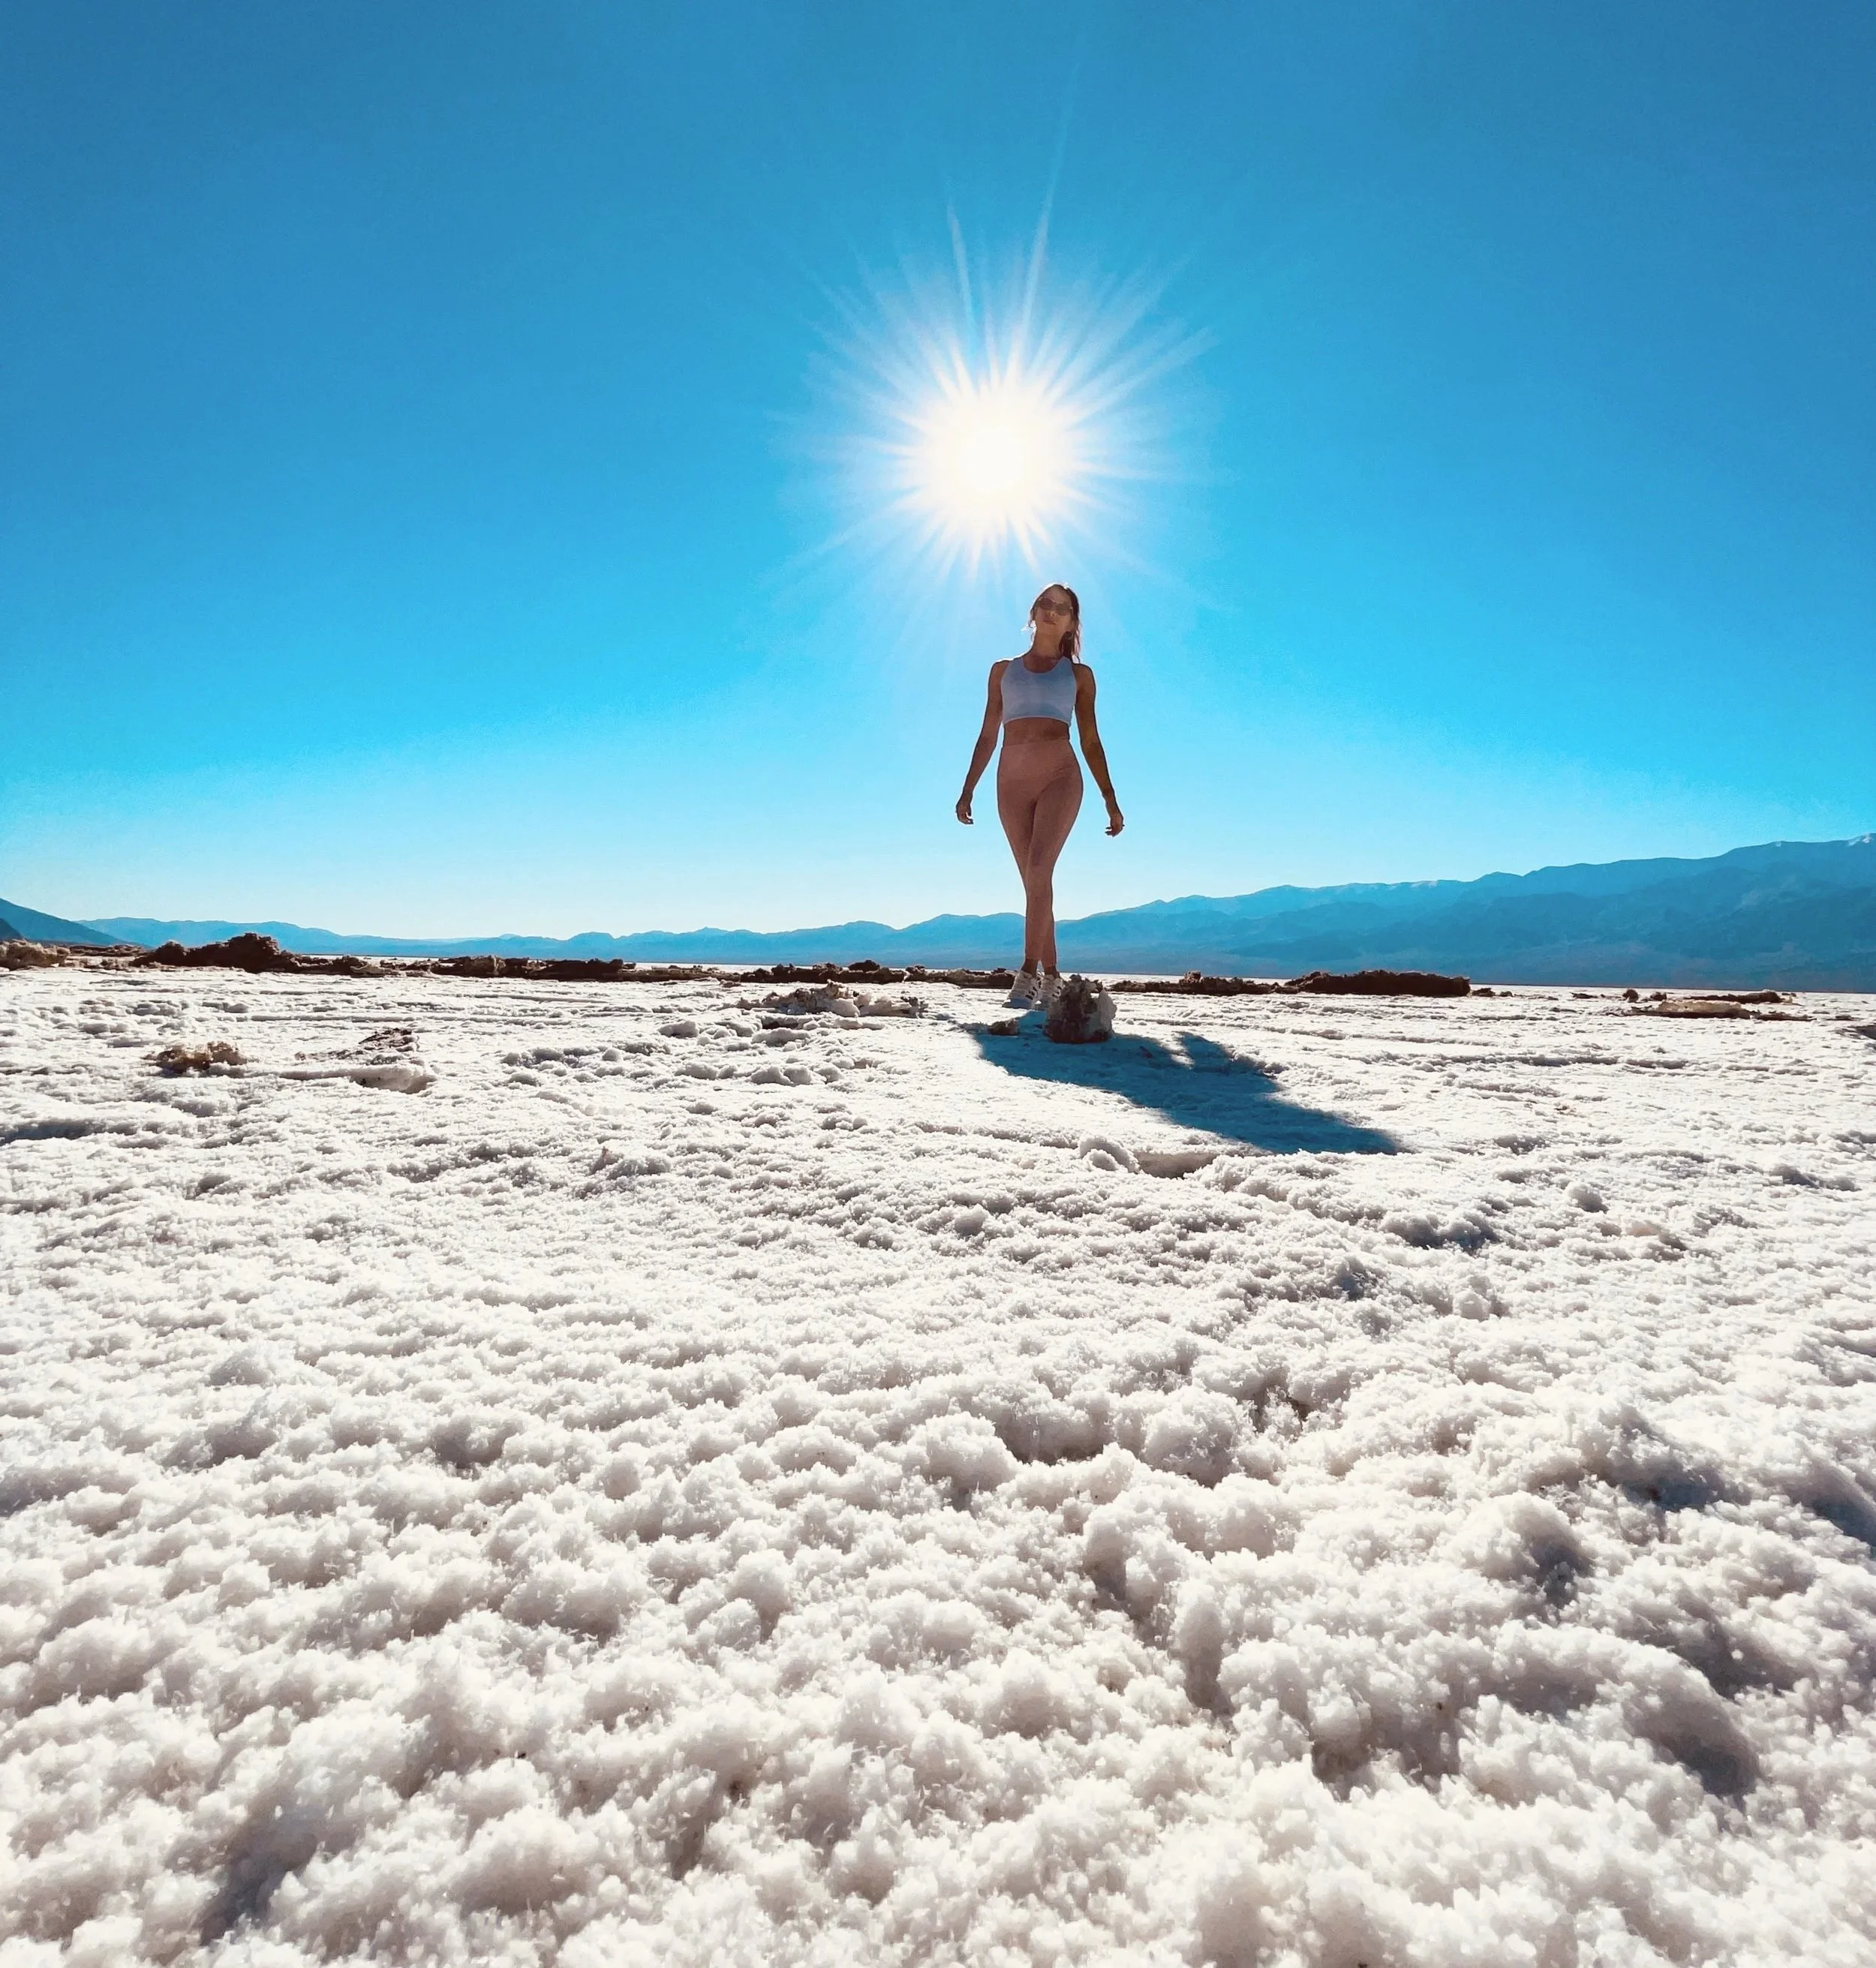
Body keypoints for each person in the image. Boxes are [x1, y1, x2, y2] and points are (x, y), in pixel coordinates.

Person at [955, 583, 1124, 1008]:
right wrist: (968, 788)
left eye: (1062, 608)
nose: (1052, 611)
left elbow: (1090, 739)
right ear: (1033, 612)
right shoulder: (1002, 671)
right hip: (1010, 781)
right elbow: (988, 734)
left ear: (1071, 623)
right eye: (1045, 604)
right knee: (1034, 882)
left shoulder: (1079, 676)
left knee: (1038, 868)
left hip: (1060, 776)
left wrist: (1109, 797)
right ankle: (1052, 977)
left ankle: (1028, 973)